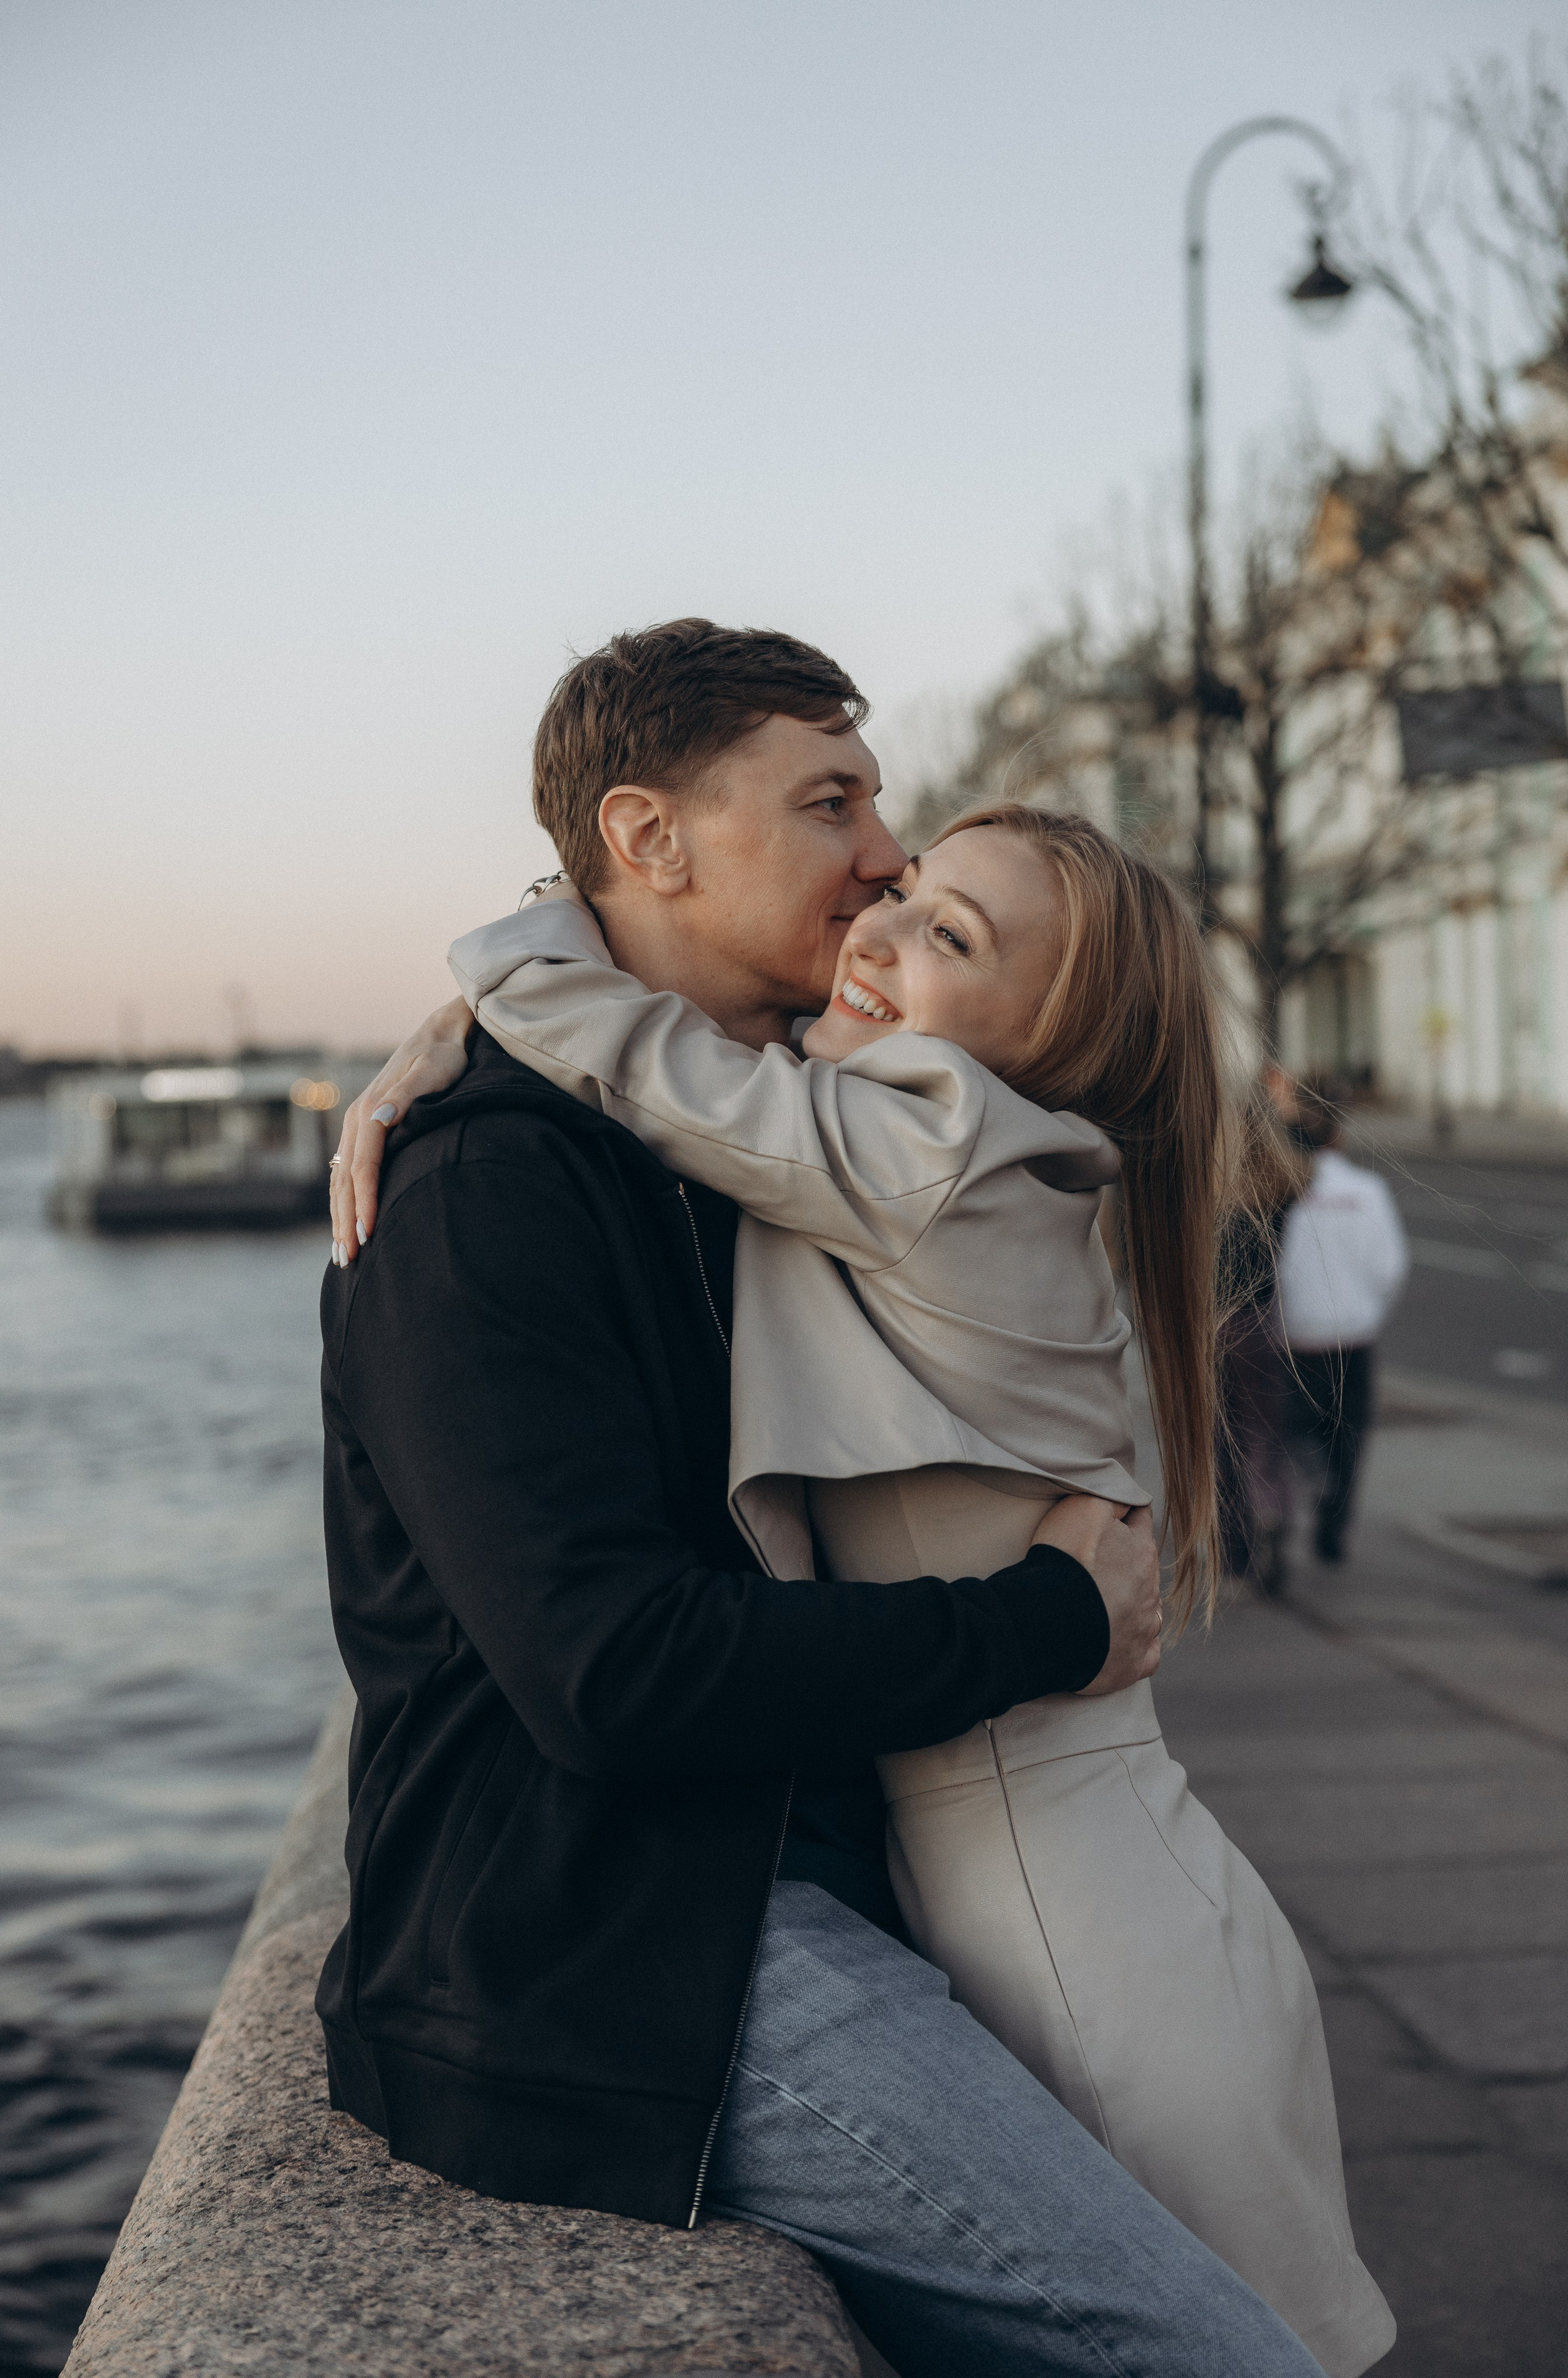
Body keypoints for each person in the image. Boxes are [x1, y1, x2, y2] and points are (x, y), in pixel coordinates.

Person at [324, 619, 1330, 2377]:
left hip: (811, 1877)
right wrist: (1045, 1619)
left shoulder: (785, 1140)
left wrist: (481, 996)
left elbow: (654, 1063)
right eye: (835, 805)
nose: (879, 857)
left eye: (905, 852)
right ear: (650, 844)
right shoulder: (491, 1196)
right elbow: (609, 1674)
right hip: (638, 1952)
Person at [1276, 1090, 1409, 1565]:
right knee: (1347, 1435)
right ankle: (1333, 1523)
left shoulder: (1281, 1189)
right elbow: (1391, 1267)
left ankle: (1287, 1512)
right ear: (1337, 1136)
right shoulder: (1367, 1191)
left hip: (1294, 1338)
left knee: (1294, 1432)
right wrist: (1369, 1313)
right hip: (1353, 1336)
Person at [1217, 1096, 1309, 1597]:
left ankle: (1236, 1554)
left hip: (1213, 1327)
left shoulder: (1211, 1191)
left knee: (1222, 1442)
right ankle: (1274, 1512)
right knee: (1265, 1436)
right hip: (1264, 1322)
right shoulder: (1285, 1187)